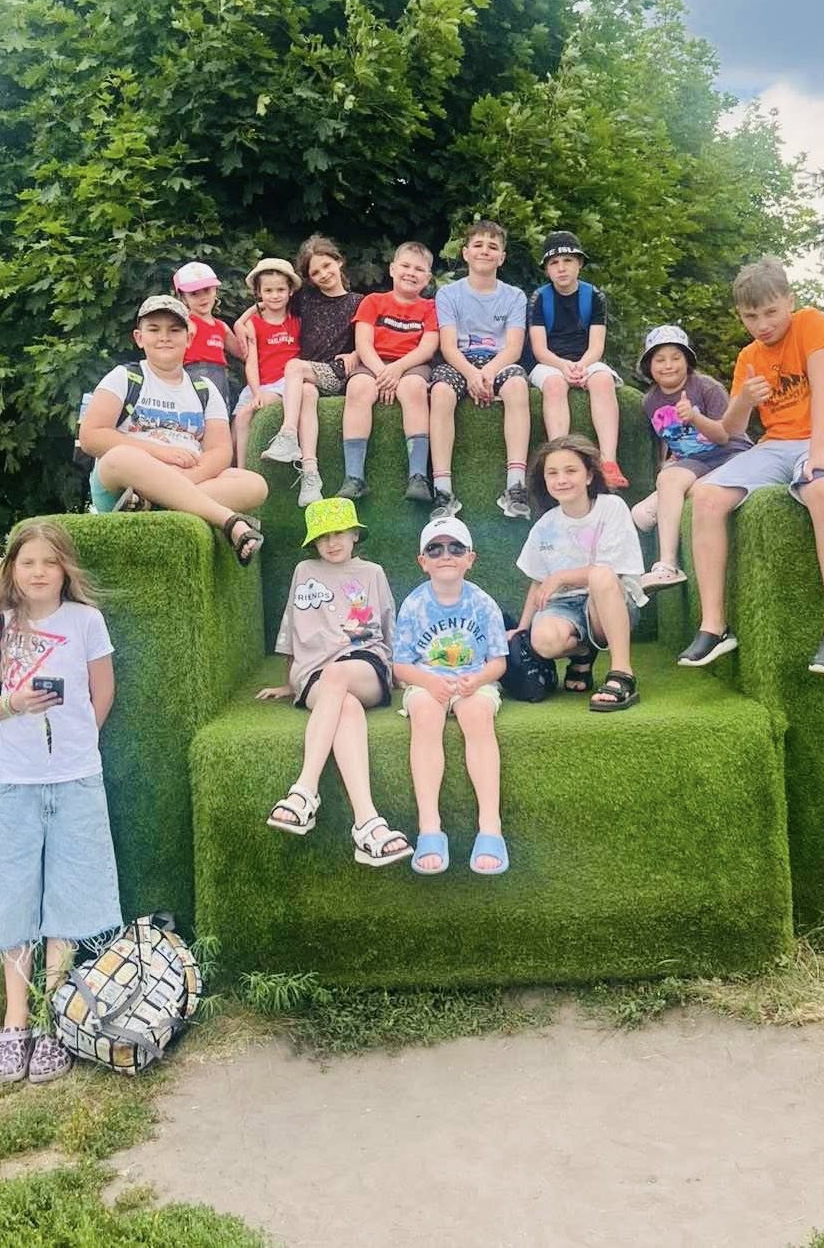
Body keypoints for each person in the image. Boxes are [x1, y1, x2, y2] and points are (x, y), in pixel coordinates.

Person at [0, 521, 119, 1085]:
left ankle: (53, 1016)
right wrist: (14, 704)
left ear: (65, 570)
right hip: (16, 780)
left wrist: (82, 738)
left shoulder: (86, 621)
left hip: (77, 777)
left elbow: (103, 689)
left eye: (49, 563)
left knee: (68, 892)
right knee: (14, 892)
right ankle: (15, 1021)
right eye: (27, 562)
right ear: (11, 570)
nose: (38, 573)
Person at [678, 257, 824, 675]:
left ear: (789, 301)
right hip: (776, 446)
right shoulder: (748, 356)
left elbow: (823, 388)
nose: (762, 325)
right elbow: (729, 431)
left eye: (770, 312)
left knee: (823, 488)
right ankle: (714, 626)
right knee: (705, 495)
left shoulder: (811, 324)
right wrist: (745, 399)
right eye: (751, 316)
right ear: (740, 315)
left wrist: (820, 452)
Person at [258, 498, 413, 866]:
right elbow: (293, 626)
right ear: (313, 542)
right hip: (314, 673)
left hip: (364, 663)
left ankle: (304, 790)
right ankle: (367, 823)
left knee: (338, 674)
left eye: (339, 533)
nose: (331, 542)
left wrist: (401, 673)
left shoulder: (372, 572)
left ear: (355, 534)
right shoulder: (304, 571)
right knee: (346, 707)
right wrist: (290, 682)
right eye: (323, 536)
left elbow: (388, 621)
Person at [78, 295, 267, 562]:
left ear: (189, 338)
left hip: (185, 478)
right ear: (139, 337)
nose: (164, 337)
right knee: (119, 457)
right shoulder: (124, 376)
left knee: (254, 484)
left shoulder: (204, 389)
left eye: (175, 330)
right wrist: (160, 454)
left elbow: (220, 451)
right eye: (154, 329)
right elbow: (91, 436)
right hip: (124, 482)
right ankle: (228, 520)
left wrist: (183, 479)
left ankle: (155, 505)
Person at [393, 516, 510, 875]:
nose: (446, 555)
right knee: (425, 714)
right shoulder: (414, 605)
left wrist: (478, 679)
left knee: (477, 715)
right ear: (423, 561)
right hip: (426, 680)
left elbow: (498, 662)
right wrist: (428, 682)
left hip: (473, 680)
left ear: (470, 559)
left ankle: (490, 826)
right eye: (435, 549)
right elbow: (401, 666)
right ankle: (430, 826)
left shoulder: (483, 603)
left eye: (456, 548)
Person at [515, 435, 647, 711]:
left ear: (588, 475)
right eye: (552, 473)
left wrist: (561, 577)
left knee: (600, 575)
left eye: (570, 470)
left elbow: (610, 572)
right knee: (543, 640)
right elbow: (538, 582)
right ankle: (583, 652)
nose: (561, 479)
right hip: (564, 606)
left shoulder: (611, 508)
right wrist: (522, 629)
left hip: (609, 602)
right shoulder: (544, 525)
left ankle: (622, 674)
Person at [631, 324, 752, 590]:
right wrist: (669, 461)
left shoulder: (707, 388)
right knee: (640, 514)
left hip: (729, 455)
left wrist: (695, 417)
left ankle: (668, 556)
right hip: (696, 462)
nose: (668, 365)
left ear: (687, 360)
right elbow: (669, 437)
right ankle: (661, 567)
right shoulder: (650, 400)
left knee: (683, 489)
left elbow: (724, 436)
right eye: (660, 359)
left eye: (676, 358)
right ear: (649, 365)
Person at [429, 219, 531, 520]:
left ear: (502, 257)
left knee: (517, 386)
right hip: (460, 361)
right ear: (465, 253)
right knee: (441, 391)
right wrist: (472, 375)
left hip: (499, 361)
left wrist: (487, 373)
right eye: (478, 245)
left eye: (493, 247)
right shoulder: (448, 294)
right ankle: (443, 489)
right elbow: (448, 347)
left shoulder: (515, 296)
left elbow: (513, 348)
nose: (485, 251)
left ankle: (515, 485)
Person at [255, 235, 364, 506]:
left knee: (293, 366)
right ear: (309, 279)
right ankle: (311, 475)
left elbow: (370, 339)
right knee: (306, 392)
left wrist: (355, 354)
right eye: (315, 272)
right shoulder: (306, 298)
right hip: (311, 376)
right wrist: (243, 323)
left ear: (339, 262)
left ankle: (288, 434)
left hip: (337, 371)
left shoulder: (358, 302)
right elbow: (266, 305)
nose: (323, 274)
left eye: (327, 266)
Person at [336, 242, 439, 504]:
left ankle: (418, 476)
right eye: (405, 266)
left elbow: (427, 348)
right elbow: (363, 343)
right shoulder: (373, 301)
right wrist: (383, 372)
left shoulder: (430, 308)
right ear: (392, 269)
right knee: (358, 388)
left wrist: (397, 369)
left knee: (413, 388)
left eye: (419, 269)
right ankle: (354, 477)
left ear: (428, 278)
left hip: (411, 363)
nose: (411, 273)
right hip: (374, 362)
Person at [527, 230, 628, 491]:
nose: (561, 268)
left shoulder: (594, 296)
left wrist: (582, 365)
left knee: (602, 379)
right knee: (554, 385)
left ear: (579, 263)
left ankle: (609, 461)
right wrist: (563, 366)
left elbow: (597, 345)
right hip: (550, 362)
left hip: (586, 358)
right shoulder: (539, 298)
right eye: (554, 263)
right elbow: (539, 349)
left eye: (568, 261)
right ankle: (560, 456)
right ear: (547, 269)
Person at [230, 258, 306, 480]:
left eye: (280, 289)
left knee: (245, 415)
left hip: (284, 384)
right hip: (259, 384)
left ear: (290, 291)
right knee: (233, 429)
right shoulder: (253, 323)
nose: (275, 295)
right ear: (259, 293)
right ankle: (231, 471)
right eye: (268, 290)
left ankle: (244, 474)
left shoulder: (298, 321)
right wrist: (256, 393)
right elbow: (251, 362)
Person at [173, 260, 243, 412]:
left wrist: (246, 323)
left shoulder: (221, 326)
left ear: (215, 291)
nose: (202, 297)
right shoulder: (185, 323)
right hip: (192, 375)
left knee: (219, 417)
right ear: (183, 298)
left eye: (207, 290)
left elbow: (243, 353)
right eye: (194, 294)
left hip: (219, 377)